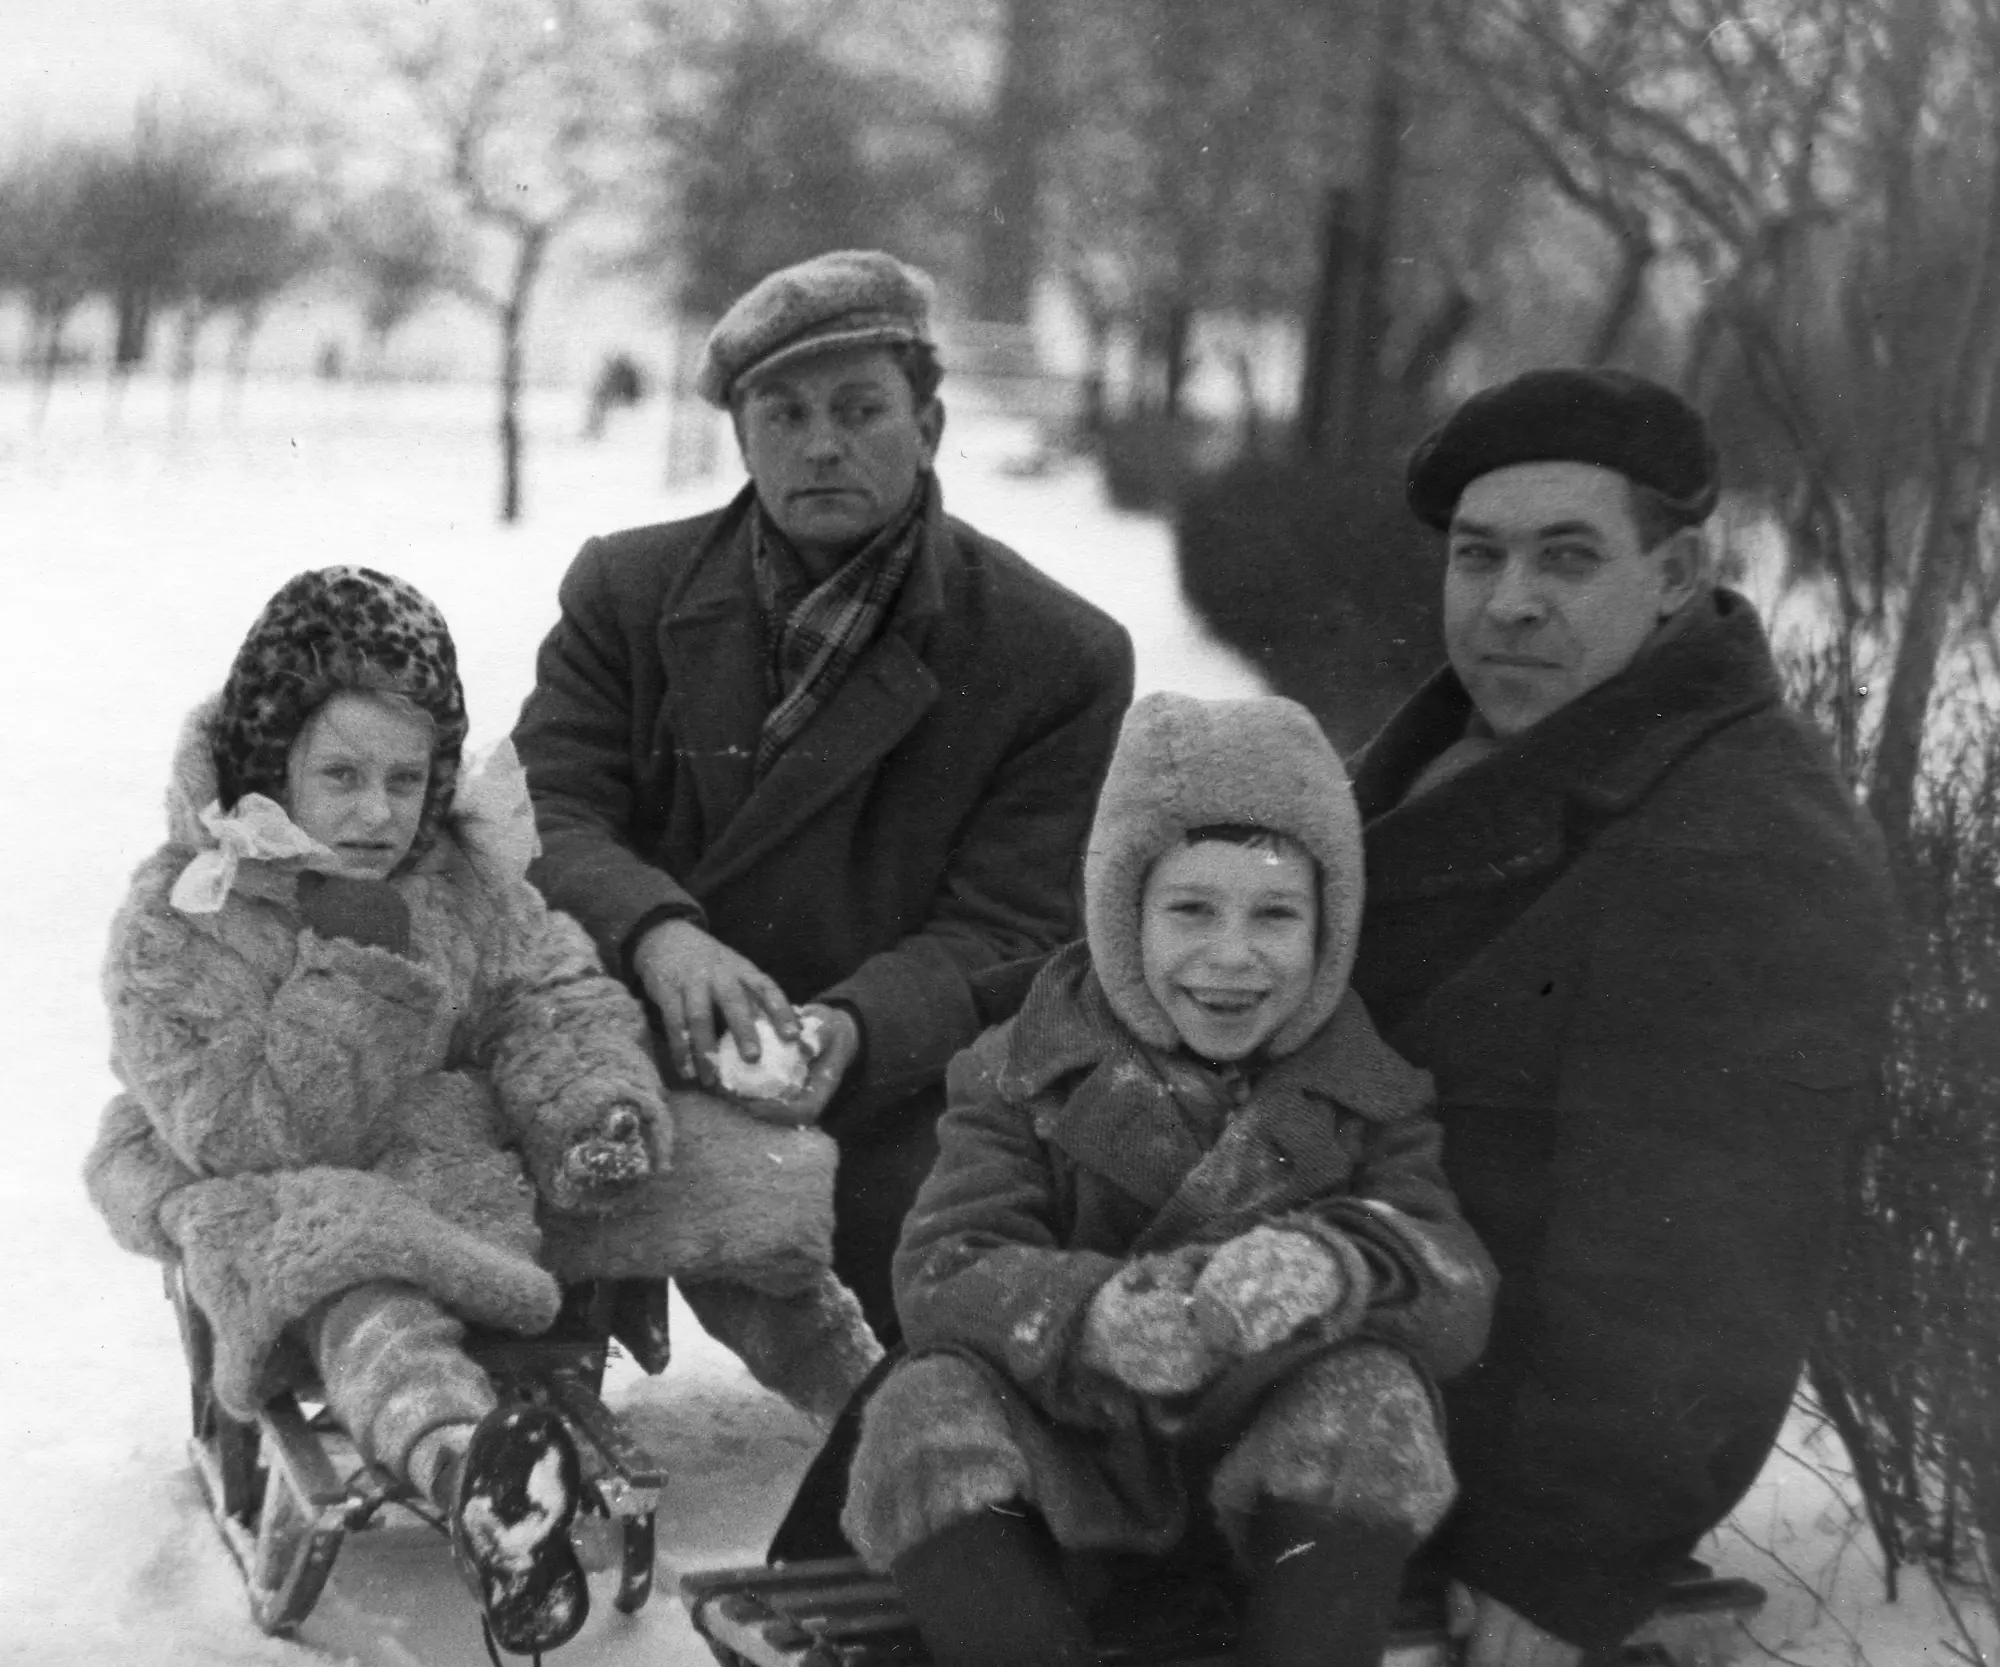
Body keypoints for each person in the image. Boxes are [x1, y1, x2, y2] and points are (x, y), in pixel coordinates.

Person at [83, 567, 877, 1658]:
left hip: (477, 1161)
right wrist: (355, 966)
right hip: (281, 1179)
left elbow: (549, 990)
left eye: (406, 778)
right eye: (341, 775)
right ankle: (473, 1473)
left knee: (737, 1182)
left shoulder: (456, 878)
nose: (378, 812)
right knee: (352, 1271)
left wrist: (585, 1107)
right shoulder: (187, 913)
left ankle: (870, 1395)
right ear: (273, 766)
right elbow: (247, 1131)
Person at [1345, 368, 1897, 1667]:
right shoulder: (1462, 744)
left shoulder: (1744, 838)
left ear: (1677, 572)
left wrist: (1559, 1560)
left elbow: (1698, 1267)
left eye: (1566, 556)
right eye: (1477, 554)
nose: (1508, 600)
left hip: (1451, 1468)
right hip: (1317, 1369)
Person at [512, 249, 1135, 1343]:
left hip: (883, 1083)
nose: (820, 445)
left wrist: (855, 1029)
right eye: (784, 413)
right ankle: (537, 1372)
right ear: (741, 436)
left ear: (928, 426)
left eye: (859, 409)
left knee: (944, 1313)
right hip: (620, 1034)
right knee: (483, 1194)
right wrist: (658, 934)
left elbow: (1013, 925)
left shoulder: (1053, 653)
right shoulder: (625, 591)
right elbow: (543, 811)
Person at [838, 692, 1497, 1667]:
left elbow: (1455, 1283)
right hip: (1065, 1473)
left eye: (1275, 913)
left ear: (1328, 930)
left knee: (1374, 1391)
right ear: (1123, 915)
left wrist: (1338, 1263)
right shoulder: (1022, 1068)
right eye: (1190, 909)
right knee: (922, 1405)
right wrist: (1092, 1317)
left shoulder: (1369, 1092)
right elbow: (944, 1265)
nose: (1231, 955)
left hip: (1267, 1494)